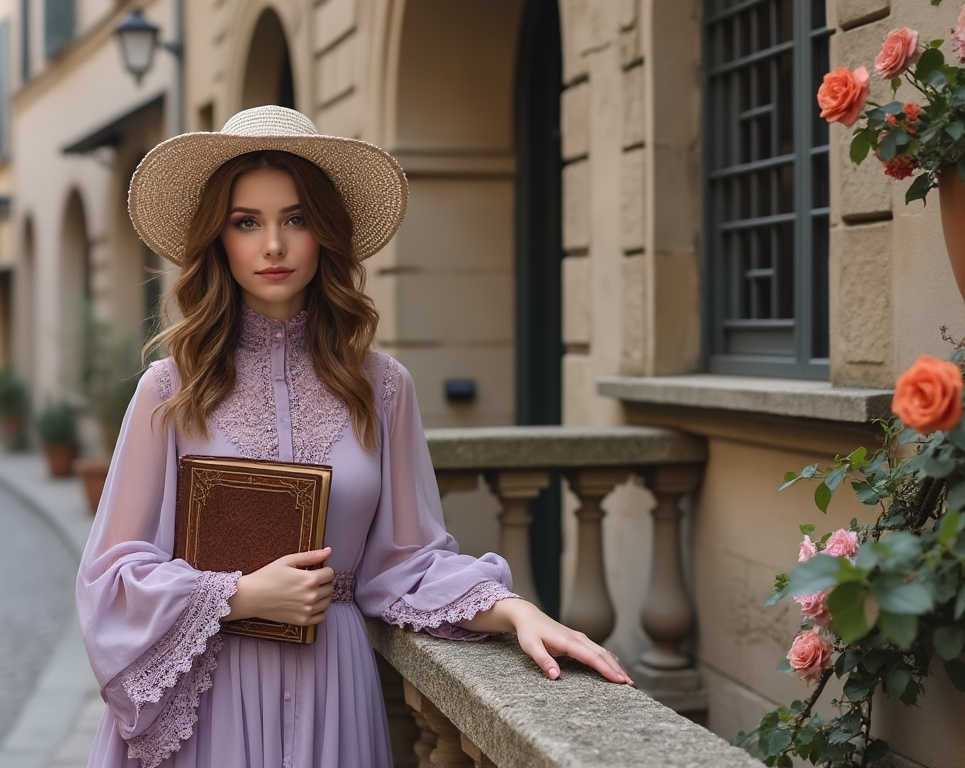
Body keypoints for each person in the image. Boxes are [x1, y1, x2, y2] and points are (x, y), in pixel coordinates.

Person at [76, 106, 632, 768]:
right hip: (211, 699)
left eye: (296, 219)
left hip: (331, 690)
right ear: (218, 240)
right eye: (246, 222)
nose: (273, 245)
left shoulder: (383, 387)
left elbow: (407, 562)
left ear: (326, 234)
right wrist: (238, 595)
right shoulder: (170, 390)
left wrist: (514, 610)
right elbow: (110, 580)